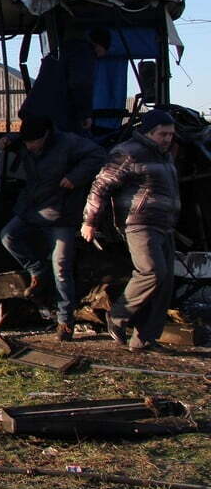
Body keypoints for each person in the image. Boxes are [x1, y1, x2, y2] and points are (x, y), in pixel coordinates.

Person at [0, 115, 106, 340]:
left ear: (46, 135)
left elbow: (98, 155)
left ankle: (65, 322)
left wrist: (75, 177)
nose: (29, 147)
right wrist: (7, 139)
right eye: (26, 143)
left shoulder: (69, 143)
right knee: (8, 237)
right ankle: (38, 272)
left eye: (33, 143)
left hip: (62, 213)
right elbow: (19, 139)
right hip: (33, 207)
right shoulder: (28, 140)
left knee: (62, 269)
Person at [81, 109, 180, 352]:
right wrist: (89, 221)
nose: (167, 139)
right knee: (151, 272)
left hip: (164, 225)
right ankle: (117, 316)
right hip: (139, 223)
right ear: (149, 132)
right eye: (162, 134)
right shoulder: (127, 152)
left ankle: (144, 339)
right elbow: (100, 186)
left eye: (170, 134)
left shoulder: (164, 156)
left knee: (165, 282)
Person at [19, 28, 111, 134]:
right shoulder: (84, 53)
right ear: (100, 47)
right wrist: (85, 114)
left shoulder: (64, 49)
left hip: (36, 112)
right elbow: (80, 84)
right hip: (54, 117)